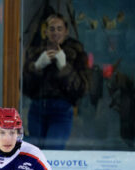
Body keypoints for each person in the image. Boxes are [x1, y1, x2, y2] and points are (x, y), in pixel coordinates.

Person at [22, 13, 89, 150]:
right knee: (35, 155)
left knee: (54, 153)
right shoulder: (35, 51)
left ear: (66, 31)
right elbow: (25, 88)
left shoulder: (76, 52)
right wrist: (36, 67)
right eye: (52, 29)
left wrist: (64, 68)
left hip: (61, 111)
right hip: (37, 110)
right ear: (45, 31)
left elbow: (81, 89)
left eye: (59, 29)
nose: (55, 33)